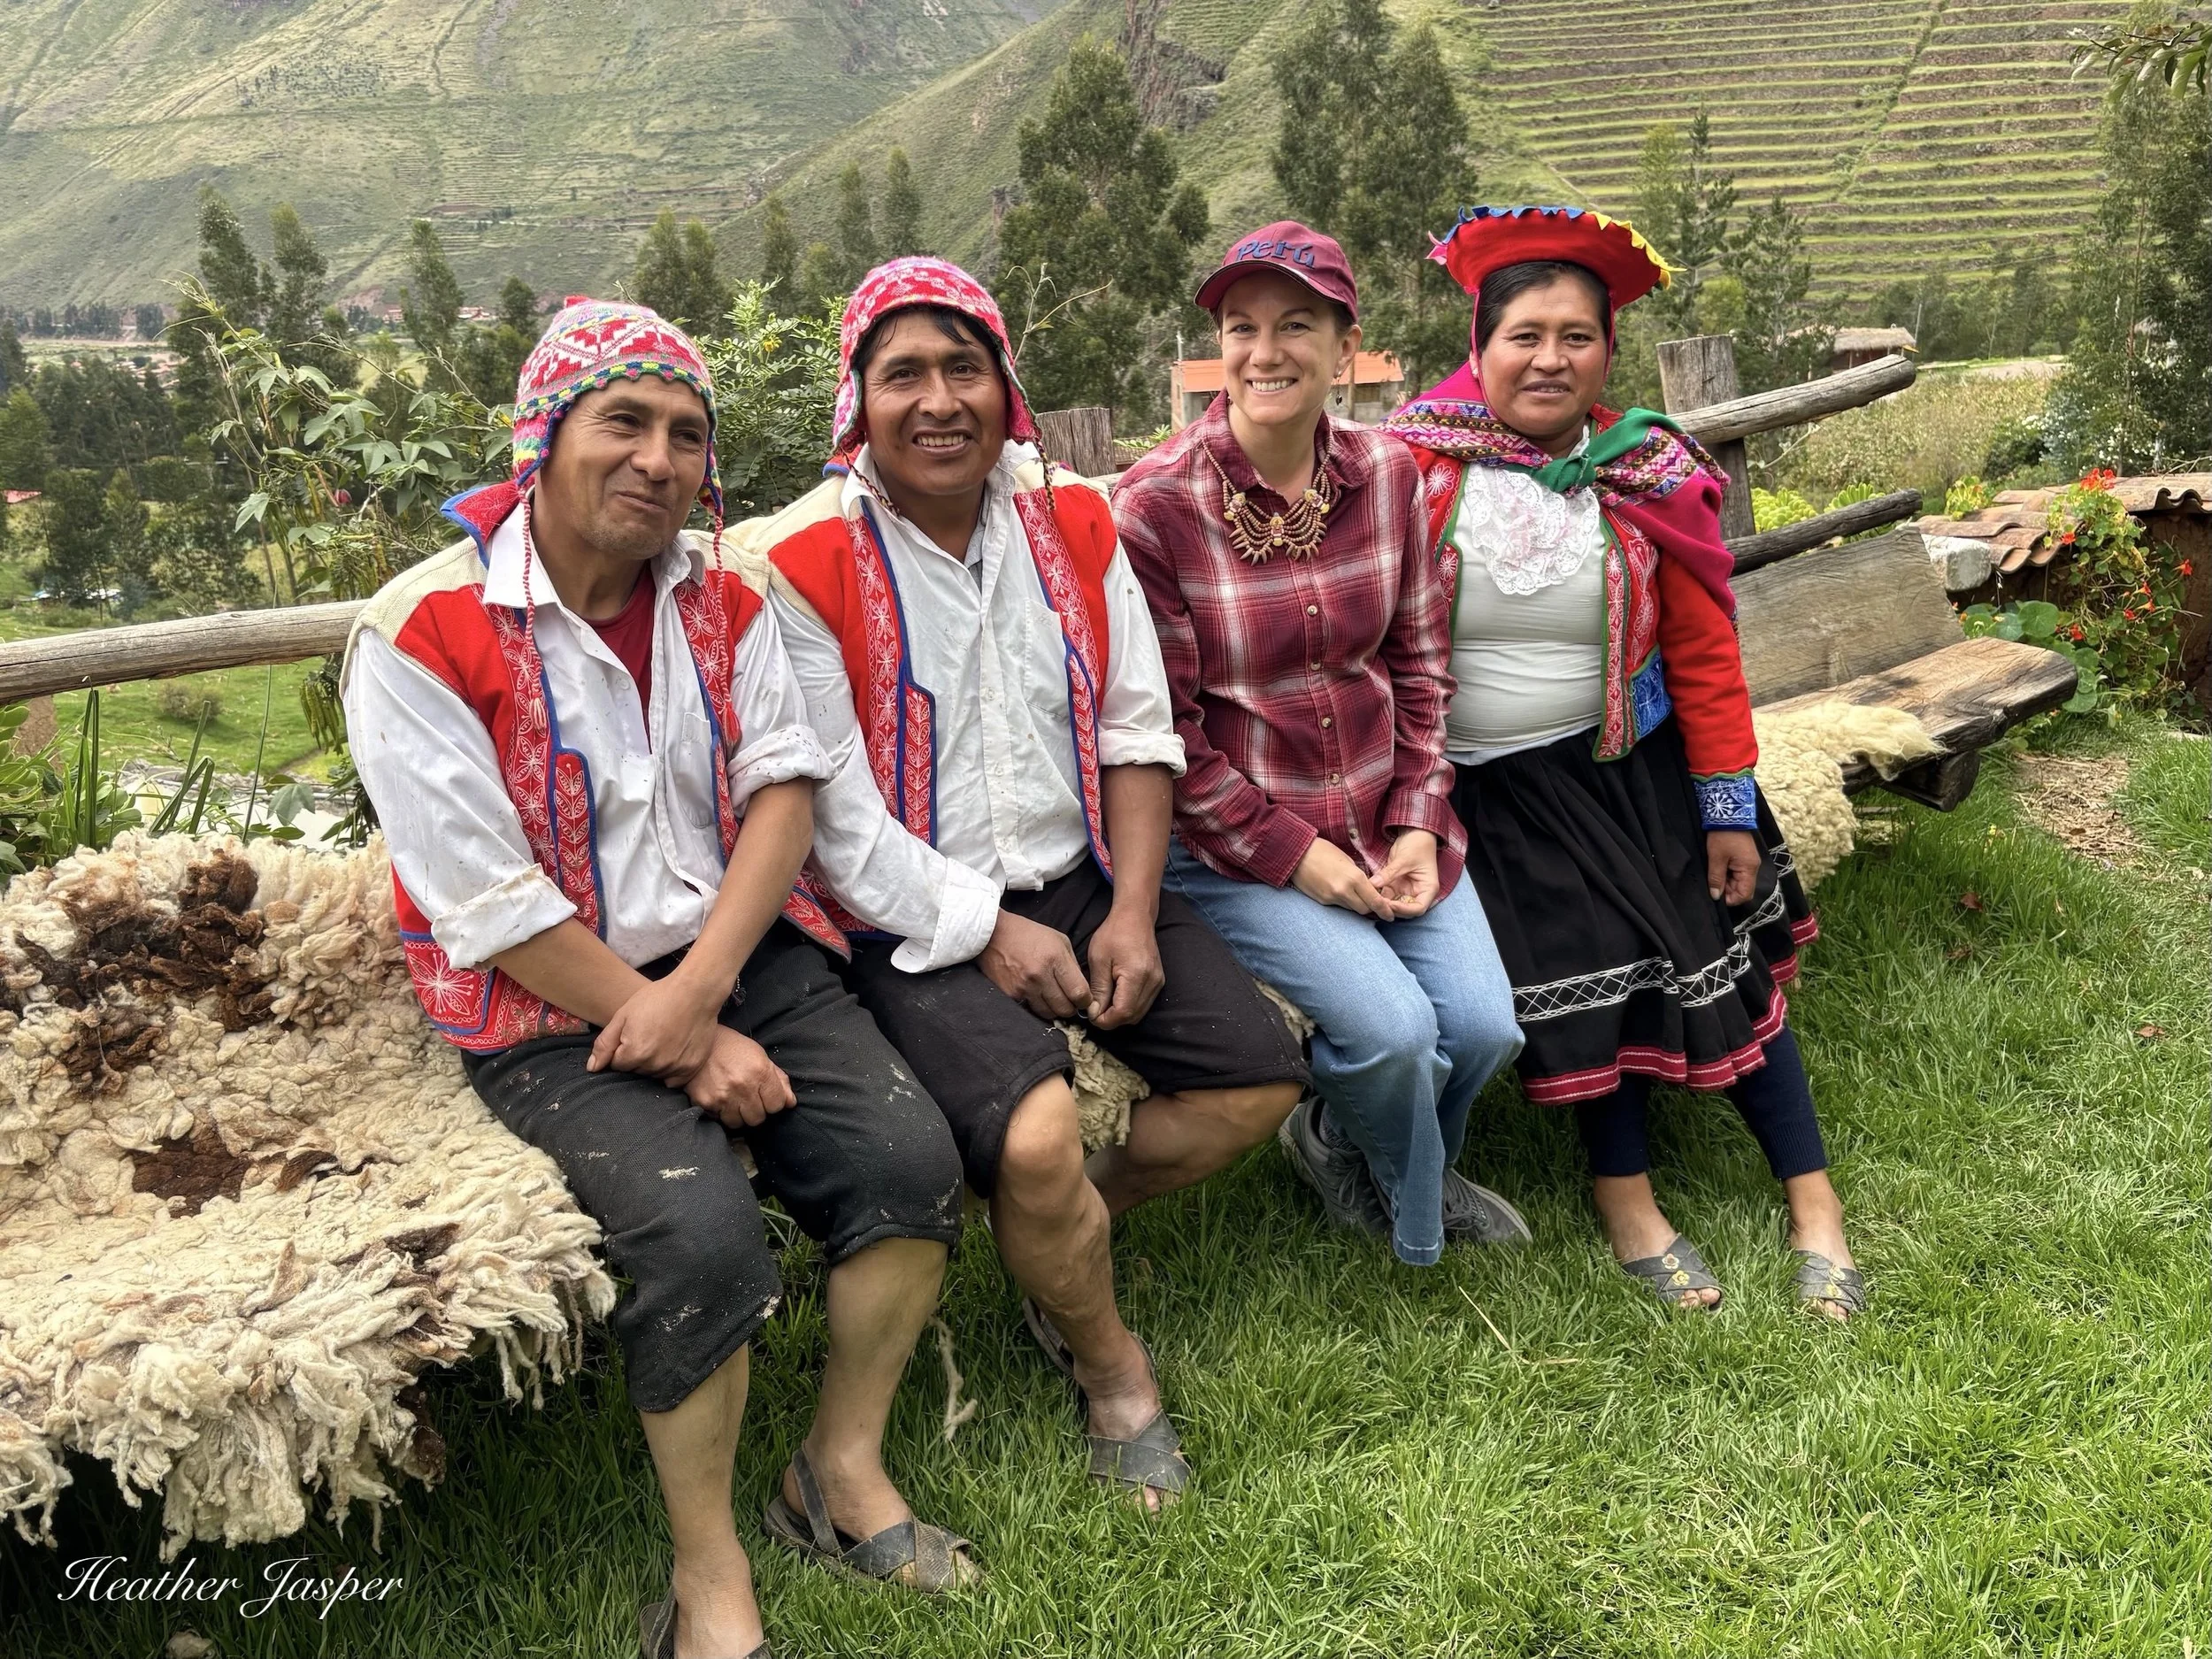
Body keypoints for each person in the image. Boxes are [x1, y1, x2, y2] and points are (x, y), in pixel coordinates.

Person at [342, 299, 975, 1659]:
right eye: (622, 420)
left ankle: (839, 1468)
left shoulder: (719, 593)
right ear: (543, 436)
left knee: (909, 1160)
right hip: (542, 1006)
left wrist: (703, 995)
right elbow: (487, 901)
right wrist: (684, 1039)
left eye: (686, 432)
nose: (658, 456)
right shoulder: (423, 631)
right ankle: (711, 1569)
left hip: (734, 957)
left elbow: (782, 796)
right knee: (699, 1237)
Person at [740, 257, 1308, 1512]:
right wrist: (982, 926)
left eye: (965, 367)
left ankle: (1055, 1238)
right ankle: (1111, 1363)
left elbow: (1137, 731)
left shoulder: (1075, 520)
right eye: (904, 375)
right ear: (858, 399)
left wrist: (1131, 910)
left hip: (1082, 879)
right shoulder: (802, 564)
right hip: (903, 917)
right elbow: (832, 818)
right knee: (1040, 1132)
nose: (939, 400)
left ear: (1007, 387)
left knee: (1258, 1078)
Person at [1379, 206, 1866, 1320]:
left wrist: (1728, 807)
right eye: (1524, 335)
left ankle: (1815, 1204)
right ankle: (1627, 1202)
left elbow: (1702, 653)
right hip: (1487, 797)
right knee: (1592, 986)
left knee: (1720, 973)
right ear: (1480, 346)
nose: (1549, 358)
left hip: (1635, 771)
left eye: (1575, 336)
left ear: (1607, 351)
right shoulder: (1409, 472)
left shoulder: (1644, 474)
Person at [1113, 223, 1528, 1271]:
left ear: (1344, 346)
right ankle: (1414, 1200)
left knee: (1482, 1029)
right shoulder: (1155, 508)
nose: (1265, 351)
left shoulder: (1388, 477)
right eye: (1240, 327)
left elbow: (1423, 667)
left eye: (1296, 324)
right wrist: (1301, 857)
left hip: (1386, 821)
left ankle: (1338, 1134)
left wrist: (1419, 824)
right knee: (1392, 1034)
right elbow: (1168, 738)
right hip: (1240, 850)